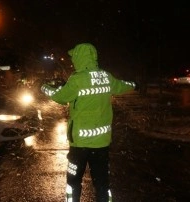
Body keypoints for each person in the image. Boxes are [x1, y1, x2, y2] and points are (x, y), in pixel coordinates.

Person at [40, 43, 136, 202]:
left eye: (74, 57)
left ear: (79, 58)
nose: (72, 61)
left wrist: (44, 88)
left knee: (73, 181)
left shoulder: (77, 79)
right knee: (102, 183)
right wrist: (135, 85)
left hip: (80, 144)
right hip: (102, 144)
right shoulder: (106, 76)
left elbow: (60, 97)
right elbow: (121, 86)